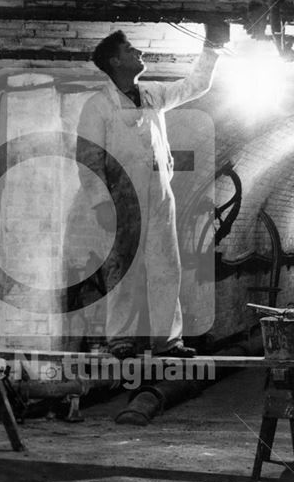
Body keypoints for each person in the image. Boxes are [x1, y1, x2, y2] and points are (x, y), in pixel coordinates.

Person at [76, 24, 227, 359]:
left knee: (166, 266)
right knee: (123, 268)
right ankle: (121, 340)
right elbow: (88, 159)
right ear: (115, 62)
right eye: (131, 50)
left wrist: (212, 48)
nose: (139, 54)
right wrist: (100, 203)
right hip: (121, 199)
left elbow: (195, 85)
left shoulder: (152, 95)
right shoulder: (97, 107)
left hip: (159, 195)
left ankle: (167, 341)